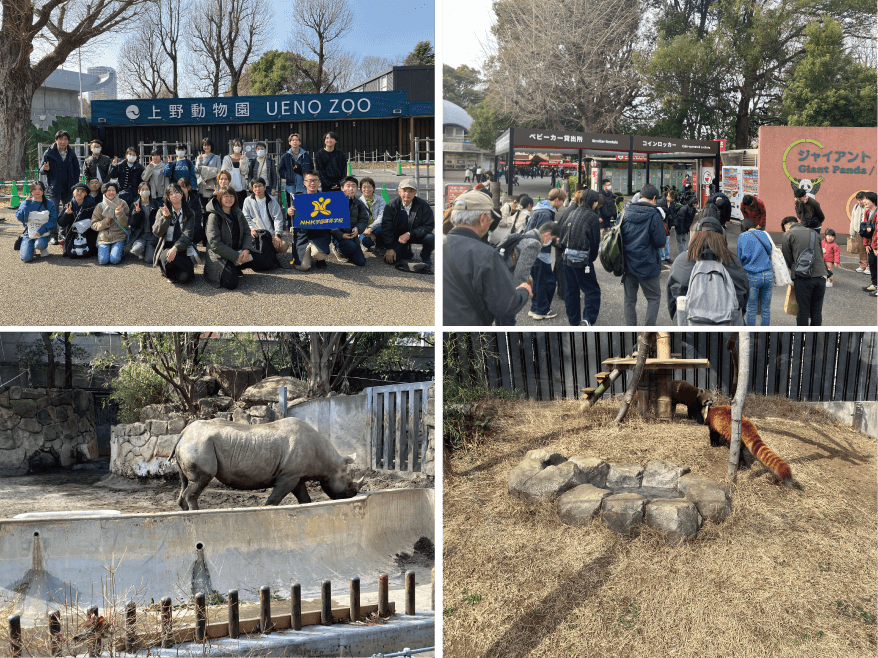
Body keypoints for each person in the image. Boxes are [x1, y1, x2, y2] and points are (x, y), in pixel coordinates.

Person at [443, 189, 533, 325]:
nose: (491, 222)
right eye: (491, 218)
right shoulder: (485, 254)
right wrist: (524, 290)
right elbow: (506, 305)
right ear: (483, 218)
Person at [667, 209, 749, 325]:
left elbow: (672, 299)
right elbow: (743, 295)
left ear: (695, 236)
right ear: (722, 238)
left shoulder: (682, 260)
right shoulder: (733, 262)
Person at [620, 184, 667, 325]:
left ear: (641, 196)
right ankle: (648, 333)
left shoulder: (626, 211)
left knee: (629, 300)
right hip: (648, 264)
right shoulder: (654, 214)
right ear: (654, 198)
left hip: (628, 263)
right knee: (654, 297)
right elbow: (660, 242)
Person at [559, 189, 603, 326]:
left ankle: (574, 321)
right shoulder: (592, 217)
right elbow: (595, 242)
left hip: (567, 257)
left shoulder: (572, 212)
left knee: (571, 290)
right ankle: (588, 319)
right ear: (594, 202)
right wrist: (591, 258)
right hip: (583, 259)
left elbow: (562, 234)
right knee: (592, 290)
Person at [523, 187, 566, 319]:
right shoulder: (546, 213)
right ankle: (541, 310)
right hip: (540, 253)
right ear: (557, 199)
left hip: (532, 250)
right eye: (562, 200)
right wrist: (555, 241)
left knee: (538, 281)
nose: (563, 203)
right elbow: (544, 236)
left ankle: (535, 308)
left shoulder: (539, 209)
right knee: (548, 282)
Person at [204, 186, 255, 289]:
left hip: (237, 250)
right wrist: (236, 256)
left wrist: (246, 250)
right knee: (231, 283)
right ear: (220, 199)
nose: (229, 199)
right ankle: (214, 270)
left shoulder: (238, 212)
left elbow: (246, 232)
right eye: (226, 196)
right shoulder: (213, 216)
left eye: (232, 196)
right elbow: (215, 244)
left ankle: (236, 264)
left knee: (262, 261)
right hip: (219, 255)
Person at [780, 215, 828, 326]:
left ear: (786, 226)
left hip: (803, 277)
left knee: (803, 310)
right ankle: (814, 336)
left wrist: (793, 271)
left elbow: (787, 258)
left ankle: (802, 336)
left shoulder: (788, 234)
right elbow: (820, 254)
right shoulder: (814, 233)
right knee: (816, 311)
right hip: (821, 275)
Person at [380, 178, 435, 273]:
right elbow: (386, 227)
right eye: (404, 190)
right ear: (399, 191)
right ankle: (406, 251)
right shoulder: (391, 205)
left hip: (416, 235)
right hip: (399, 237)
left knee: (431, 237)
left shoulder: (423, 205)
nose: (407, 194)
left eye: (411, 191)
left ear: (415, 192)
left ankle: (425, 257)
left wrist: (410, 233)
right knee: (390, 260)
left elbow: (429, 225)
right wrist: (390, 248)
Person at [41, 130, 80, 245]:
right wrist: (45, 169)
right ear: (56, 140)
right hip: (54, 187)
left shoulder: (71, 153)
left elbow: (76, 169)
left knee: (67, 211)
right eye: (61, 139)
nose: (63, 141)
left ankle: (63, 233)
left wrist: (75, 183)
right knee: (53, 211)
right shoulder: (49, 152)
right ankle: (53, 235)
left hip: (69, 187)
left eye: (65, 139)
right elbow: (41, 169)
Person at [242, 177, 289, 270]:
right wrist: (251, 228)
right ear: (252, 188)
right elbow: (245, 218)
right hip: (255, 233)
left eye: (260, 186)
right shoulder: (248, 200)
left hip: (270, 234)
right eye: (255, 186)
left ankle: (269, 253)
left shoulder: (272, 200)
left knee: (283, 246)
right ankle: (259, 256)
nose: (257, 189)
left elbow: (278, 219)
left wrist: (278, 235)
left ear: (264, 187)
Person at [152, 184, 196, 284]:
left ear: (182, 194)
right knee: (167, 257)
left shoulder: (189, 213)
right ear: (168, 197)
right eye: (171, 194)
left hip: (182, 247)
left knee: (184, 278)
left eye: (177, 192)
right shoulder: (162, 211)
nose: (174, 195)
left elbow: (188, 235)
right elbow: (157, 232)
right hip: (166, 246)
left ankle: (181, 270)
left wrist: (175, 248)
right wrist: (165, 218)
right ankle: (171, 270)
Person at [289, 170, 330, 271]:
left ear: (319, 182)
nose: (312, 183)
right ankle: (307, 253)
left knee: (319, 253)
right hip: (302, 235)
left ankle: (320, 259)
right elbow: (292, 220)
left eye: (315, 180)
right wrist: (289, 213)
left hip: (320, 234)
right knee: (303, 267)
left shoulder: (327, 198)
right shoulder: (298, 198)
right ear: (304, 182)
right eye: (310, 180)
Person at [736, 218, 774, 325]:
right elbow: (770, 251)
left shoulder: (742, 236)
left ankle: (751, 333)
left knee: (751, 307)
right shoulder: (765, 234)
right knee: (765, 308)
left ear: (743, 228)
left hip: (752, 275)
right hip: (768, 274)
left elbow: (739, 259)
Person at [330, 175, 370, 266]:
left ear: (356, 188)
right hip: (339, 237)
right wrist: (341, 235)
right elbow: (330, 223)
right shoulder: (334, 202)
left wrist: (358, 229)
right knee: (349, 246)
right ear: (342, 188)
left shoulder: (359, 203)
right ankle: (337, 249)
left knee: (361, 262)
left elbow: (363, 219)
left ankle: (348, 249)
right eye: (348, 186)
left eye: (353, 186)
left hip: (353, 236)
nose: (351, 189)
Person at [277, 133, 312, 231]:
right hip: (291, 186)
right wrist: (288, 176)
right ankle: (291, 226)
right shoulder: (285, 156)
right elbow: (281, 170)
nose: (295, 142)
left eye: (297, 140)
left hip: (303, 186)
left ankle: (305, 226)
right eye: (293, 140)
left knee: (305, 206)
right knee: (291, 207)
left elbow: (311, 169)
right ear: (289, 142)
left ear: (300, 142)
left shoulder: (306, 155)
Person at [15, 180, 57, 262]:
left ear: (43, 191)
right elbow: (20, 218)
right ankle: (31, 247)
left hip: (43, 232)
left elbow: (53, 220)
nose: (37, 191)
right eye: (34, 189)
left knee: (39, 245)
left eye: (40, 189)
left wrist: (42, 230)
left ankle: (42, 247)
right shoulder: (26, 202)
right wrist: (26, 204)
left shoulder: (49, 203)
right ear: (31, 191)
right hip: (29, 233)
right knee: (26, 258)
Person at [90, 182, 129, 265]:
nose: (111, 192)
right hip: (104, 237)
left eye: (113, 190)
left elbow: (125, 224)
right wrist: (106, 221)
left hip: (119, 236)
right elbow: (93, 225)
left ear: (116, 192)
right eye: (109, 190)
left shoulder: (122, 203)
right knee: (103, 261)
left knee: (114, 260)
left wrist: (120, 213)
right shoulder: (100, 206)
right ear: (104, 192)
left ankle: (120, 251)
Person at [57, 182, 97, 259]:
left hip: (88, 233)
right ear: (73, 192)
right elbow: (61, 223)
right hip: (73, 234)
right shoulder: (69, 205)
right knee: (72, 254)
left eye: (82, 191)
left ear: (86, 194)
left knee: (86, 254)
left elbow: (97, 220)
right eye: (77, 191)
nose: (79, 193)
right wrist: (66, 214)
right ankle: (66, 246)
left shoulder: (92, 205)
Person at [129, 182, 159, 262]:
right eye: (142, 189)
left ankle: (147, 249)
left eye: (147, 189)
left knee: (149, 260)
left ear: (150, 191)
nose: (145, 191)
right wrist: (136, 213)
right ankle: (142, 250)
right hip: (140, 235)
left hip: (152, 235)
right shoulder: (134, 205)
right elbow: (132, 224)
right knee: (136, 250)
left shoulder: (156, 204)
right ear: (138, 191)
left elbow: (159, 222)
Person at [177, 177, 204, 264]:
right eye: (180, 187)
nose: (181, 190)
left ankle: (191, 245)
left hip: (192, 229)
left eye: (184, 187)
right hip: (180, 229)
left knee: (191, 258)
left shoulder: (195, 199)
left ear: (189, 187)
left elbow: (198, 217)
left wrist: (192, 231)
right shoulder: (175, 199)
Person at [358, 177, 386, 253]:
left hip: (376, 227)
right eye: (364, 187)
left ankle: (379, 246)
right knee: (366, 242)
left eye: (369, 187)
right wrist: (369, 233)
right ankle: (364, 244)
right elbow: (358, 221)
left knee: (381, 230)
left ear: (373, 188)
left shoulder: (380, 200)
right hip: (364, 229)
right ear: (361, 189)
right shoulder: (358, 202)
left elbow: (381, 217)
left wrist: (370, 229)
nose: (367, 189)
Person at [221, 138, 250, 207]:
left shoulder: (245, 158)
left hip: (241, 189)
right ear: (232, 146)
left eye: (239, 145)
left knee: (241, 208)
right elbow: (224, 172)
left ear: (242, 146)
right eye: (235, 145)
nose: (237, 147)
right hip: (230, 189)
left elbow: (244, 172)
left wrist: (243, 161)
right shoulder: (227, 158)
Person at [195, 137, 222, 212]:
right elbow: (197, 171)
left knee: (214, 206)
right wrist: (200, 161)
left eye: (208, 145)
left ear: (211, 146)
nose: (206, 147)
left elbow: (218, 171)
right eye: (204, 145)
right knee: (204, 207)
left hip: (213, 185)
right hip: (203, 185)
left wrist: (205, 171)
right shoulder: (199, 157)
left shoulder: (216, 157)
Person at [860, 192, 878, 296]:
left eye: (867, 199)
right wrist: (867, 244)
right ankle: (875, 284)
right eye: (864, 199)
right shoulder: (867, 212)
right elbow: (866, 229)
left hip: (876, 243)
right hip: (871, 243)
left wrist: (875, 246)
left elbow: (877, 231)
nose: (864, 201)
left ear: (874, 201)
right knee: (872, 263)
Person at [850, 191, 869, 275]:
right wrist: (852, 232)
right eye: (858, 199)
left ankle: (869, 266)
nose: (859, 201)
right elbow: (853, 219)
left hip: (868, 232)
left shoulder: (868, 207)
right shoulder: (856, 206)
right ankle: (862, 265)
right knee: (861, 249)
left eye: (861, 199)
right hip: (859, 231)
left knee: (868, 249)